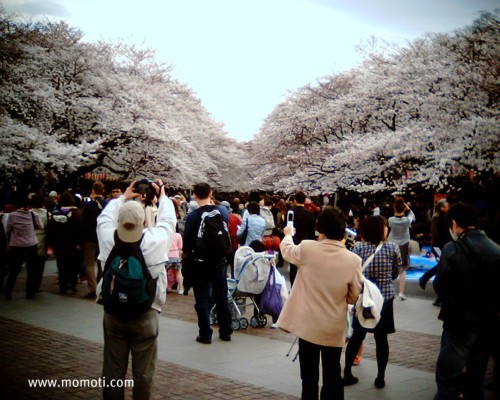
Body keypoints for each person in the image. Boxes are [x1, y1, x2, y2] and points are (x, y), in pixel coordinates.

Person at [96, 179, 176, 400]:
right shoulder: (153, 240)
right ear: (143, 220)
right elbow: (168, 221)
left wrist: (123, 196)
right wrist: (162, 196)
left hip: (113, 312)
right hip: (146, 311)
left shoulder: (107, 238)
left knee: (112, 368)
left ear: (119, 220)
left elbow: (104, 217)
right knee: (143, 372)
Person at [278, 206, 363, 399]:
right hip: (333, 326)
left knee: (308, 377)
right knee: (332, 374)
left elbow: (286, 251)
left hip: (308, 325)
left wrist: (288, 234)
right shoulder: (353, 260)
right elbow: (353, 296)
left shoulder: (308, 248)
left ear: (320, 227)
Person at [433, 202, 500, 400]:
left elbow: (440, 285)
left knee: (447, 379)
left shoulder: (453, 248)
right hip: (487, 324)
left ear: (453, 224)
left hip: (458, 323)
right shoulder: (496, 249)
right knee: (476, 379)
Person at [343, 215, 402, 389]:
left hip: (363, 298)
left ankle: (347, 372)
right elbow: (396, 272)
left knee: (357, 336)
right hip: (384, 299)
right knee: (381, 339)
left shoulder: (358, 249)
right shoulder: (392, 248)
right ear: (381, 229)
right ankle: (380, 377)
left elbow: (353, 272)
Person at [182, 182, 233, 344]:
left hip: (200, 262)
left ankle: (205, 333)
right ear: (211, 193)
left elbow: (187, 241)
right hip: (219, 260)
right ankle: (226, 330)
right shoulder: (222, 211)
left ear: (195, 196)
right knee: (221, 295)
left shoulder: (193, 216)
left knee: (202, 297)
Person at [4, 195, 43, 299]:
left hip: (16, 245)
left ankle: (8, 292)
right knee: (32, 270)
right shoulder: (33, 214)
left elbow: (8, 229)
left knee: (14, 270)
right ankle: (30, 293)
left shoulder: (12, 216)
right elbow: (40, 226)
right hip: (31, 244)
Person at [46, 192, 82, 294]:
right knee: (73, 264)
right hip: (73, 244)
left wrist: (50, 244)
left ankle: (63, 285)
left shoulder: (55, 213)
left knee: (61, 264)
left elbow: (50, 230)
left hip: (59, 244)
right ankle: (72, 283)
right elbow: (80, 229)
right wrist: (79, 242)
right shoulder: (77, 213)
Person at [419, 199, 452, 306]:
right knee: (442, 268)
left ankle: (425, 279)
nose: (449, 207)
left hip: (442, 246)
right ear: (442, 207)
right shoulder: (437, 217)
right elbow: (436, 234)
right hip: (439, 246)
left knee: (442, 268)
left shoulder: (443, 217)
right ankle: (426, 279)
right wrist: (436, 248)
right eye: (447, 206)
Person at [81, 182, 108, 299]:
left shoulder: (88, 206)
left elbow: (83, 223)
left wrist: (81, 239)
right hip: (103, 238)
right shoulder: (108, 205)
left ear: (93, 190)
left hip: (89, 238)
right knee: (102, 263)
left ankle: (92, 287)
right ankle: (100, 286)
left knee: (89, 264)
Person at [387, 197, 415, 300]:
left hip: (392, 243)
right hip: (404, 244)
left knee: (389, 267)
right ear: (404, 208)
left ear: (394, 208)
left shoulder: (390, 220)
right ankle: (401, 293)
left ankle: (389, 290)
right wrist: (408, 209)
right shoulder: (407, 221)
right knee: (402, 269)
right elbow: (412, 215)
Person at [289, 191, 316, 286]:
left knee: (293, 265)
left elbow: (287, 227)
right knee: (304, 265)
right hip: (306, 242)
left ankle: (293, 286)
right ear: (305, 201)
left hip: (294, 240)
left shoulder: (291, 212)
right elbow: (312, 231)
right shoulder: (309, 214)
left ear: (295, 200)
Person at [30, 194, 50, 293]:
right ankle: (36, 286)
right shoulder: (47, 214)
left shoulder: (29, 213)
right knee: (39, 266)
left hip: (29, 241)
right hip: (42, 241)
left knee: (31, 266)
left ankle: (30, 286)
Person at [167, 228, 184, 294]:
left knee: (165, 273)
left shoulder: (166, 235)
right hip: (176, 256)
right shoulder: (178, 235)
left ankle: (167, 287)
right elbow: (180, 247)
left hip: (167, 256)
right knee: (178, 273)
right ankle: (181, 288)